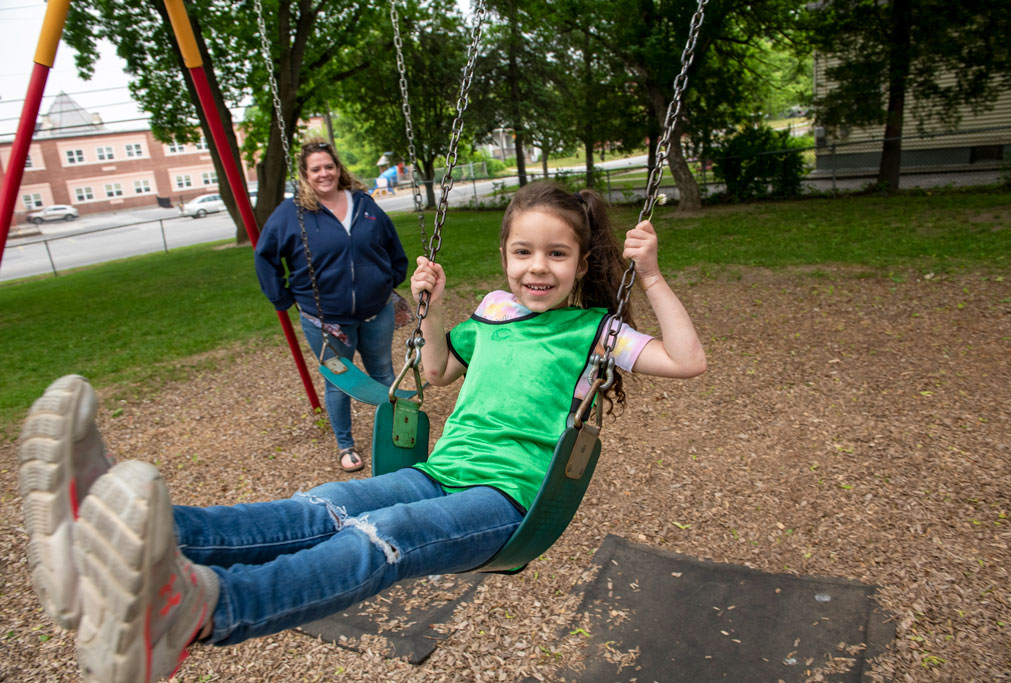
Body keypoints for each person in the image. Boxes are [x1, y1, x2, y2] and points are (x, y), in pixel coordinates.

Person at [18, 181, 706, 683]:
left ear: (582, 264)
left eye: (556, 255)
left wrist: (650, 274)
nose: (537, 267)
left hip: (507, 500)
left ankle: (199, 610)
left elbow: (687, 359)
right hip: (441, 470)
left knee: (387, 537)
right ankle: (118, 527)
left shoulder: (594, 330)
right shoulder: (495, 314)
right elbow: (434, 370)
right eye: (523, 251)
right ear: (504, 255)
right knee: (325, 503)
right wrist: (430, 310)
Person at [255, 138, 409, 472]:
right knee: (339, 381)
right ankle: (345, 445)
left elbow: (392, 245)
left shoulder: (364, 204)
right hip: (325, 320)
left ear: (338, 169)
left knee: (383, 371)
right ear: (305, 175)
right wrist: (282, 298)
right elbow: (265, 257)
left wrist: (390, 278)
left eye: (329, 166)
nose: (324, 174)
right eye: (316, 169)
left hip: (376, 311)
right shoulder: (291, 214)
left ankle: (396, 436)